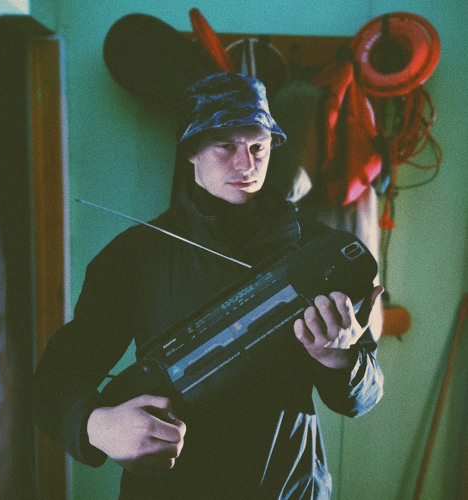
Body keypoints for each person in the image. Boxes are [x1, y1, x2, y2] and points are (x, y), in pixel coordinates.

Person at [33, 72, 384, 499]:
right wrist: (96, 425)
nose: (246, 164)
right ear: (191, 150)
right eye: (226, 146)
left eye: (258, 147)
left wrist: (340, 358)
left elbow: (366, 394)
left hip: (288, 487)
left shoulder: (319, 250)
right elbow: (52, 383)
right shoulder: (134, 256)